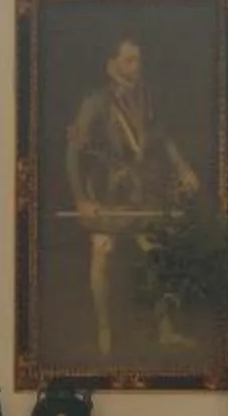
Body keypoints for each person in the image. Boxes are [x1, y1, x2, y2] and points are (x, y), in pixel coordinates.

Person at [63, 36, 201, 354]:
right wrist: (82, 199)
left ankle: (165, 330)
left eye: (138, 60)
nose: (136, 67)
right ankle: (104, 330)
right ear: (111, 65)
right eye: (129, 60)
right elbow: (73, 154)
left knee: (155, 255)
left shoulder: (146, 98)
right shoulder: (95, 102)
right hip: (106, 193)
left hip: (141, 190)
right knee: (102, 255)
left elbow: (162, 137)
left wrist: (183, 169)